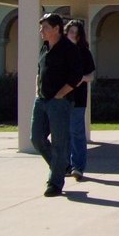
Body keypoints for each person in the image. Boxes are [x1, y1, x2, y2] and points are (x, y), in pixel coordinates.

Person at [30, 12, 82, 197]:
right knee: (36, 138)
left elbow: (77, 76)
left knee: (60, 143)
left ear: (57, 29)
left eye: (45, 27)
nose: (41, 31)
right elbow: (40, 70)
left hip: (59, 102)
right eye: (41, 27)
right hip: (41, 100)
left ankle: (55, 183)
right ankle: (61, 166)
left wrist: (60, 94)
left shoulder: (69, 49)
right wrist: (38, 89)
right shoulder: (44, 47)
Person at [64, 19, 96, 181]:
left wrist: (81, 78)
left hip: (78, 98)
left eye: (76, 33)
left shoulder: (84, 53)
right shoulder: (59, 51)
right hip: (61, 98)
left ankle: (78, 167)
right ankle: (66, 165)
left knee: (76, 132)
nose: (73, 35)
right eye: (70, 32)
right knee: (63, 133)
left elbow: (91, 75)